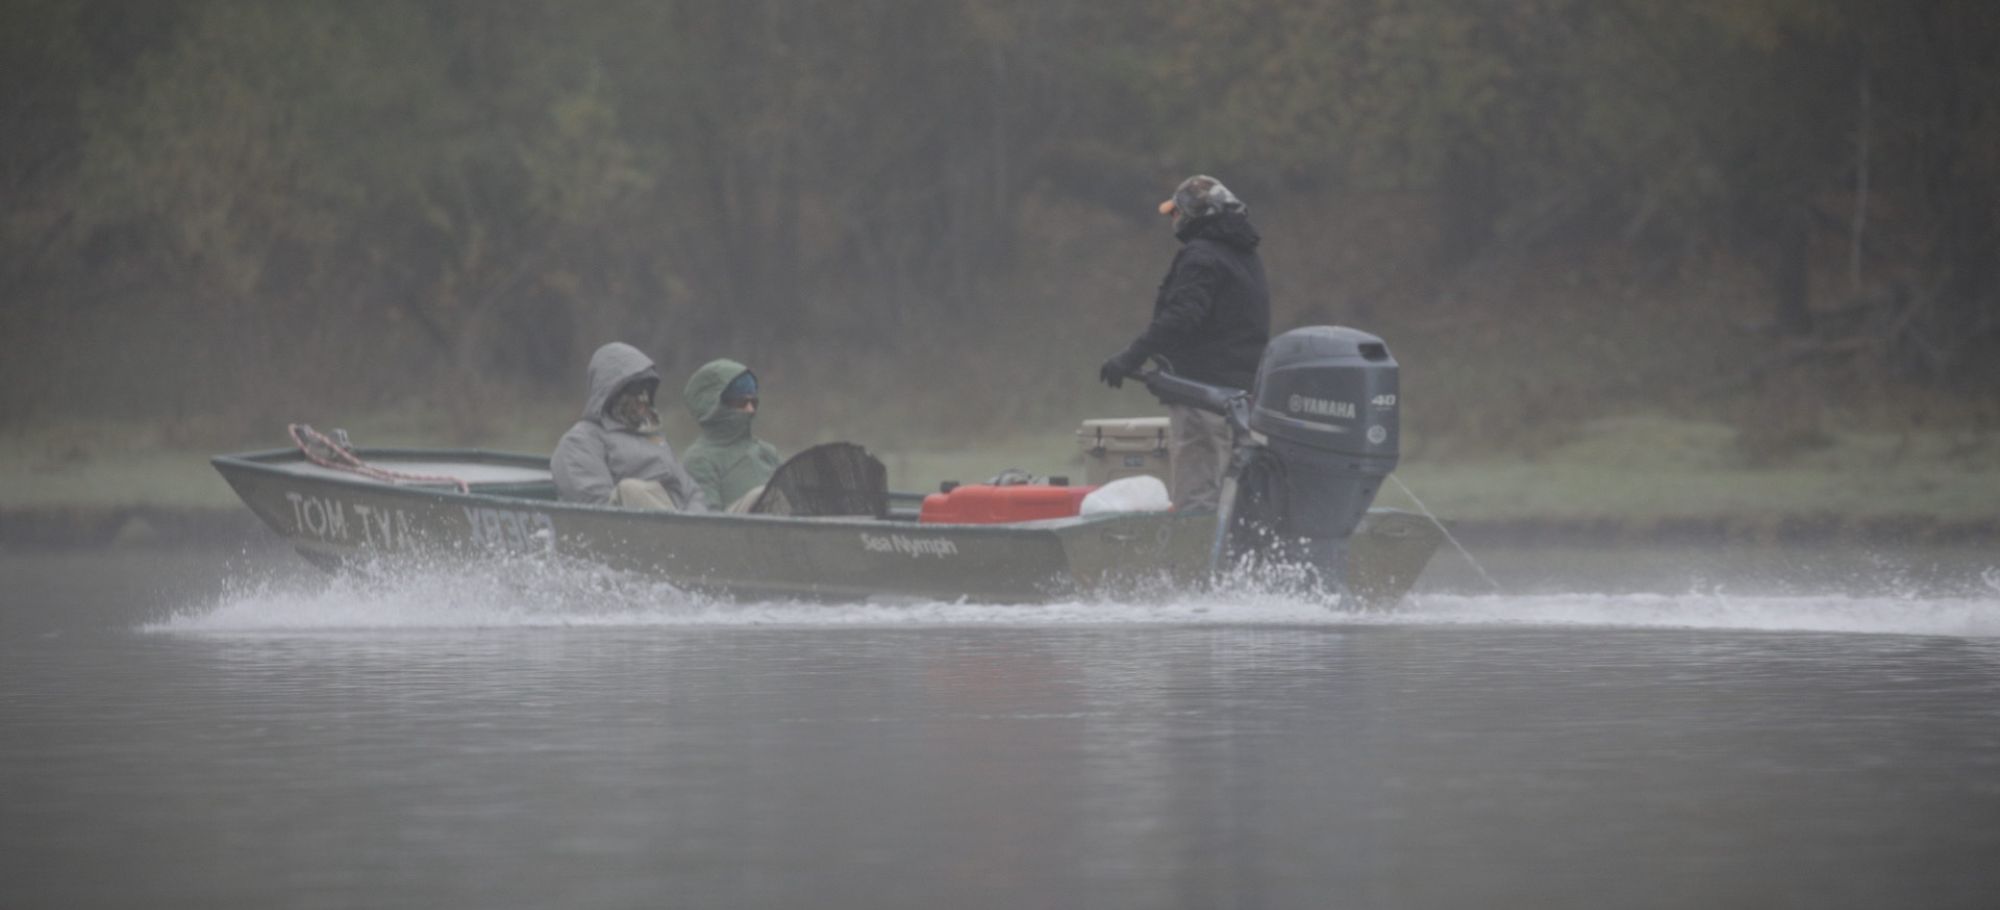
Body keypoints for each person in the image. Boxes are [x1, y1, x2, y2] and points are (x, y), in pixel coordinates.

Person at [1098, 175, 1270, 512]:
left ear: (1197, 213)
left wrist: (1130, 357)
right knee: (1233, 503)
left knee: (1197, 501)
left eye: (1177, 212)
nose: (1174, 220)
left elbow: (1181, 317)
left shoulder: (1201, 255)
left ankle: (1195, 565)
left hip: (1201, 397)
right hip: (1239, 397)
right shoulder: (1243, 256)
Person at [552, 342, 708, 511]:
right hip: (633, 530)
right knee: (630, 489)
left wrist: (695, 523)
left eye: (646, 389)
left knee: (742, 503)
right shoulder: (580, 441)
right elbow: (595, 510)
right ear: (611, 393)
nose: (642, 397)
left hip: (687, 528)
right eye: (634, 389)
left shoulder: (654, 438)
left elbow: (692, 493)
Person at [681, 358, 782, 512]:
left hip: (781, 531)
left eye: (753, 403)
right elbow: (705, 523)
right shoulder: (699, 459)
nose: (750, 410)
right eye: (741, 402)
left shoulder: (767, 452)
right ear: (716, 406)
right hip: (731, 531)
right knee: (761, 495)